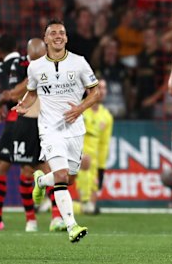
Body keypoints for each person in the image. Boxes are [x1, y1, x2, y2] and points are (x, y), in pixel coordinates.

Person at [12, 19, 101, 243]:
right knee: (61, 176)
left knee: (69, 178)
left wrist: (80, 108)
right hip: (50, 129)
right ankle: (71, 226)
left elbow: (95, 92)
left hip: (75, 129)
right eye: (53, 33)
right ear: (46, 39)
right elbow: (32, 93)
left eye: (61, 32)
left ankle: (41, 182)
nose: (58, 36)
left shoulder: (79, 63)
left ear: (67, 38)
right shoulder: (35, 67)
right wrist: (24, 104)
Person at [0, 35, 39, 231]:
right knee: (33, 168)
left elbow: (9, 93)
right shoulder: (28, 60)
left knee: (1, 166)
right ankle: (38, 219)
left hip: (16, 120)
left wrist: (1, 100)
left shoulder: (1, 67)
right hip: (34, 118)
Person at [77, 79, 113, 214]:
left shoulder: (107, 116)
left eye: (104, 88)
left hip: (95, 157)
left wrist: (101, 167)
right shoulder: (80, 108)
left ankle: (84, 205)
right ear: (88, 90)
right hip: (77, 153)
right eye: (99, 87)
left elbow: (104, 144)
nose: (101, 91)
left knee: (90, 209)